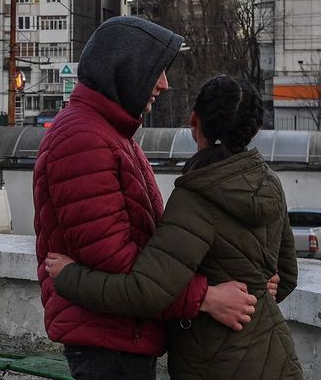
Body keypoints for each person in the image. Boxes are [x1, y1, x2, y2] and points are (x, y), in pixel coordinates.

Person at [33, 17, 259, 379]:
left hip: (124, 332)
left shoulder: (111, 134)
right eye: (157, 71)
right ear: (124, 69)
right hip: (108, 339)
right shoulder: (83, 140)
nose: (165, 84)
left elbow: (152, 244)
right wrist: (205, 298)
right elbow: (118, 262)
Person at [44, 75, 302, 380]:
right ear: (254, 130)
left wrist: (69, 276)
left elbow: (145, 291)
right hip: (276, 356)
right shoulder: (269, 183)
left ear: (194, 120)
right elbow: (285, 276)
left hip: (216, 366)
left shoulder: (197, 197)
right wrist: (257, 293)